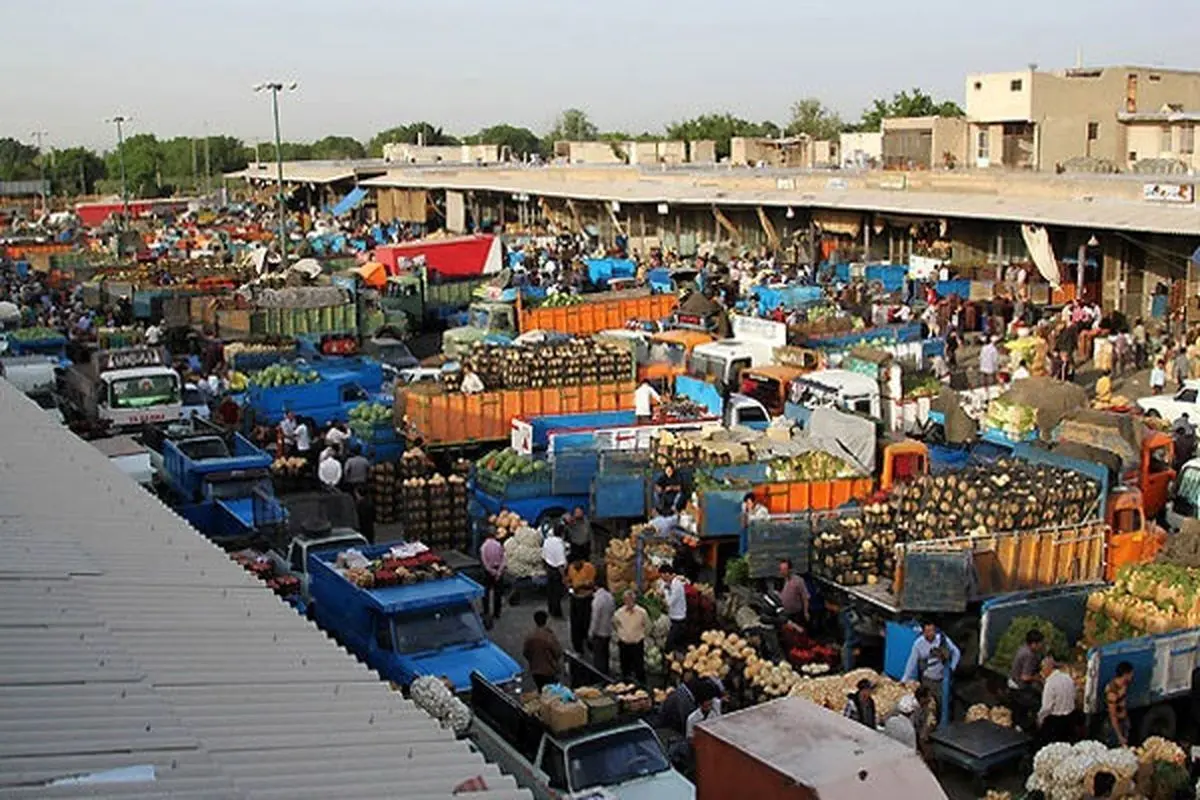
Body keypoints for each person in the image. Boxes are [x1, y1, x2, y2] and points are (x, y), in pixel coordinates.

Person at [901, 621, 961, 716]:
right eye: (927, 631)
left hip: (941, 680)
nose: (930, 634)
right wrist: (905, 679)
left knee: (942, 704)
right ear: (923, 632)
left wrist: (952, 668)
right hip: (927, 680)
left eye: (932, 631)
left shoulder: (942, 640)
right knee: (927, 705)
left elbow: (956, 652)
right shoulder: (918, 644)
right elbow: (912, 662)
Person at [1009, 629, 1045, 731]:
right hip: (1018, 687)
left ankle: (1018, 725)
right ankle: (1028, 728)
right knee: (1037, 704)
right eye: (1040, 644)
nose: (1041, 646)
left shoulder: (1023, 648)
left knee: (1019, 711)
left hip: (1012, 683)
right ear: (1033, 644)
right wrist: (1038, 678)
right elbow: (1024, 677)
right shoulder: (1030, 655)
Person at [1038, 656, 1078, 745]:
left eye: (1042, 668)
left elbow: (1046, 707)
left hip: (1055, 722)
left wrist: (1040, 719)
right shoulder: (1068, 678)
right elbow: (1074, 695)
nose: (1041, 672)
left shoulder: (1050, 683)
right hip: (1070, 718)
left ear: (1048, 668)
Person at [613, 589, 648, 684]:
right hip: (624, 644)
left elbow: (646, 626)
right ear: (624, 601)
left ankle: (642, 687)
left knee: (639, 668)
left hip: (637, 644)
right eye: (626, 600)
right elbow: (616, 625)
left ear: (634, 600)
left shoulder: (642, 612)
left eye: (630, 600)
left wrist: (641, 635)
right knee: (625, 669)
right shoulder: (618, 613)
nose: (629, 602)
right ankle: (625, 687)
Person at [522, 611, 563, 690]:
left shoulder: (530, 636)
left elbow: (525, 652)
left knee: (540, 689)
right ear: (546, 621)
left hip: (535, 670)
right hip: (549, 670)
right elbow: (558, 652)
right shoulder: (549, 636)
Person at [566, 556, 596, 654]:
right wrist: (570, 586)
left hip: (586, 599)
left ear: (582, 561)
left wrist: (581, 586)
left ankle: (589, 643)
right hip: (575, 599)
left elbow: (592, 584)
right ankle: (578, 646)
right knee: (575, 623)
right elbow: (569, 580)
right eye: (574, 563)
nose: (575, 565)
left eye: (577, 563)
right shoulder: (571, 568)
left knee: (586, 622)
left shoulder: (589, 568)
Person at [588, 573, 614, 676]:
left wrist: (591, 632)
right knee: (606, 654)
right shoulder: (610, 596)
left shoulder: (597, 600)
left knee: (598, 656)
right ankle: (606, 673)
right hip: (608, 630)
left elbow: (595, 618)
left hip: (599, 632)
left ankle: (599, 675)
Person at [1103, 661, 1134, 747]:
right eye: (1131, 674)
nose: (1132, 676)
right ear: (1125, 675)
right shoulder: (1112, 692)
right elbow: (1113, 716)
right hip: (1114, 727)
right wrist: (1119, 736)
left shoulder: (1124, 685)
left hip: (1122, 722)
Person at [480, 532, 507, 622]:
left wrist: (492, 571)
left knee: (486, 593)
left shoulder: (484, 547)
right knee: (498, 593)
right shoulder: (499, 545)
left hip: (488, 572)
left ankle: (486, 611)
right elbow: (504, 559)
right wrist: (499, 572)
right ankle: (497, 613)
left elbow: (484, 562)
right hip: (498, 569)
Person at [660, 564, 688, 653]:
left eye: (663, 577)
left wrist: (665, 591)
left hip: (678, 619)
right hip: (673, 617)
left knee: (670, 645)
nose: (662, 579)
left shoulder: (677, 585)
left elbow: (669, 602)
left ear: (667, 574)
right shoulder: (670, 583)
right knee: (674, 644)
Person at [542, 527, 567, 619]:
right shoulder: (560, 545)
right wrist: (564, 577)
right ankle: (557, 613)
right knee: (557, 592)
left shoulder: (547, 541)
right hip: (556, 571)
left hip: (549, 568)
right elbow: (560, 563)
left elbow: (543, 556)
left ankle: (551, 609)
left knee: (550, 591)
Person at [779, 558, 810, 626]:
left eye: (784, 569)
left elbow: (805, 597)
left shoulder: (798, 581)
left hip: (796, 614)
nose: (782, 572)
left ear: (790, 569)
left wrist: (806, 612)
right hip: (785, 613)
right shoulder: (782, 581)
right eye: (781, 569)